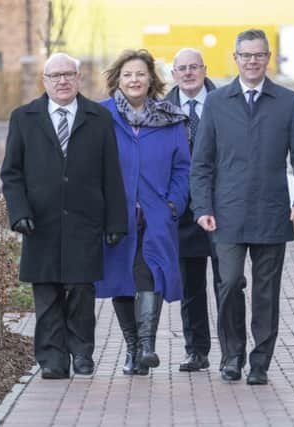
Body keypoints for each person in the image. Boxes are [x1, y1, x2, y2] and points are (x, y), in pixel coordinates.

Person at [190, 29, 294, 385]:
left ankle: (260, 362)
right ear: (235, 59)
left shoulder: (288, 101)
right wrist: (202, 206)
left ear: (268, 57)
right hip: (226, 213)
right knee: (228, 283)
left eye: (258, 55)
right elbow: (201, 162)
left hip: (272, 212)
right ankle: (232, 355)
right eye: (245, 55)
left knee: (266, 293)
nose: (251, 61)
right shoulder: (217, 103)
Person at [1, 53, 128, 379]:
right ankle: (52, 359)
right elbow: (12, 173)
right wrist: (19, 213)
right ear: (44, 81)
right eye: (55, 75)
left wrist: (116, 222)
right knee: (46, 295)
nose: (62, 81)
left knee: (81, 292)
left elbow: (111, 173)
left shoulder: (98, 117)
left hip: (84, 221)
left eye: (68, 74)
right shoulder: (24, 117)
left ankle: (82, 352)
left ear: (78, 78)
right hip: (39, 224)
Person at [94, 49, 190, 376]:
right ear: (117, 80)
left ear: (151, 79)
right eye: (127, 75)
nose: (134, 80)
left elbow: (183, 167)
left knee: (151, 273)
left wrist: (174, 202)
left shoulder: (170, 119)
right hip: (115, 214)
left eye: (140, 74)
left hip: (156, 214)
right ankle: (133, 350)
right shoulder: (101, 116)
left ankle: (147, 346)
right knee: (121, 279)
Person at [164, 48, 220, 372]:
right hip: (183, 214)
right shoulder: (162, 111)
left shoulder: (225, 103)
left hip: (220, 209)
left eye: (194, 67)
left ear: (204, 69)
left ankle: (232, 352)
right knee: (191, 288)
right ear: (173, 73)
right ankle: (196, 350)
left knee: (227, 285)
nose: (188, 73)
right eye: (181, 68)